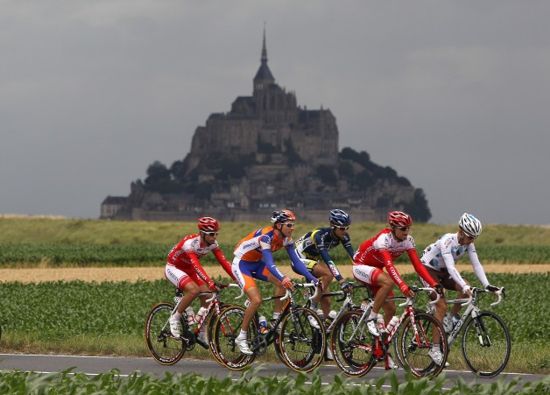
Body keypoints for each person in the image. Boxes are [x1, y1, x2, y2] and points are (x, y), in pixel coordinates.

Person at [352, 211, 441, 366]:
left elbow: (418, 266)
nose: (407, 232)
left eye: (408, 229)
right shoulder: (383, 239)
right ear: (393, 228)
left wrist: (433, 284)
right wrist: (402, 286)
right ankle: (372, 317)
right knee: (388, 282)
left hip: (377, 270)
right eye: (403, 229)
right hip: (361, 266)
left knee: (391, 310)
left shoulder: (407, 241)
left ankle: (382, 351)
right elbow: (389, 265)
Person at [232, 209, 320, 355]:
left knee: (281, 284)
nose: (293, 228)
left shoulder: (286, 239)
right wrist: (284, 278)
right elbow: (270, 264)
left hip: (256, 262)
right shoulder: (266, 237)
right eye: (289, 225)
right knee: (256, 300)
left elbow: (297, 262)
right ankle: (241, 337)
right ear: (279, 225)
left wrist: (313, 279)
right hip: (241, 264)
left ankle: (276, 319)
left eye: (293, 225)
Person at [420, 213, 503, 358]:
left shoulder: (469, 244)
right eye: (470, 237)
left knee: (466, 287)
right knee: (441, 304)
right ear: (461, 231)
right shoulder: (447, 241)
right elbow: (452, 267)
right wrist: (464, 287)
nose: (472, 240)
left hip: (443, 271)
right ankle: (434, 349)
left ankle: (451, 318)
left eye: (474, 237)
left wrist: (487, 285)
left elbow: (476, 265)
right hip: (427, 269)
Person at [165, 217, 235, 341]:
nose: (214, 237)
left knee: (208, 297)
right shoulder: (190, 244)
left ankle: (201, 330)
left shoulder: (213, 244)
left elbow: (224, 262)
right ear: (202, 234)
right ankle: (174, 318)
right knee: (193, 290)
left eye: (216, 234)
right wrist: (209, 281)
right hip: (174, 268)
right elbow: (197, 266)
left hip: (189, 270)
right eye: (211, 234)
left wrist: (237, 279)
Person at [294, 209, 354, 319]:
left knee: (326, 301)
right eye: (342, 228)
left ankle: (324, 330)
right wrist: (340, 280)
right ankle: (313, 307)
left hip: (313, 261)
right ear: (332, 225)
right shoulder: (319, 235)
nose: (344, 231)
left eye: (347, 228)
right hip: (298, 260)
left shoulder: (344, 236)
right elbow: (327, 259)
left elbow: (354, 257)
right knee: (328, 274)